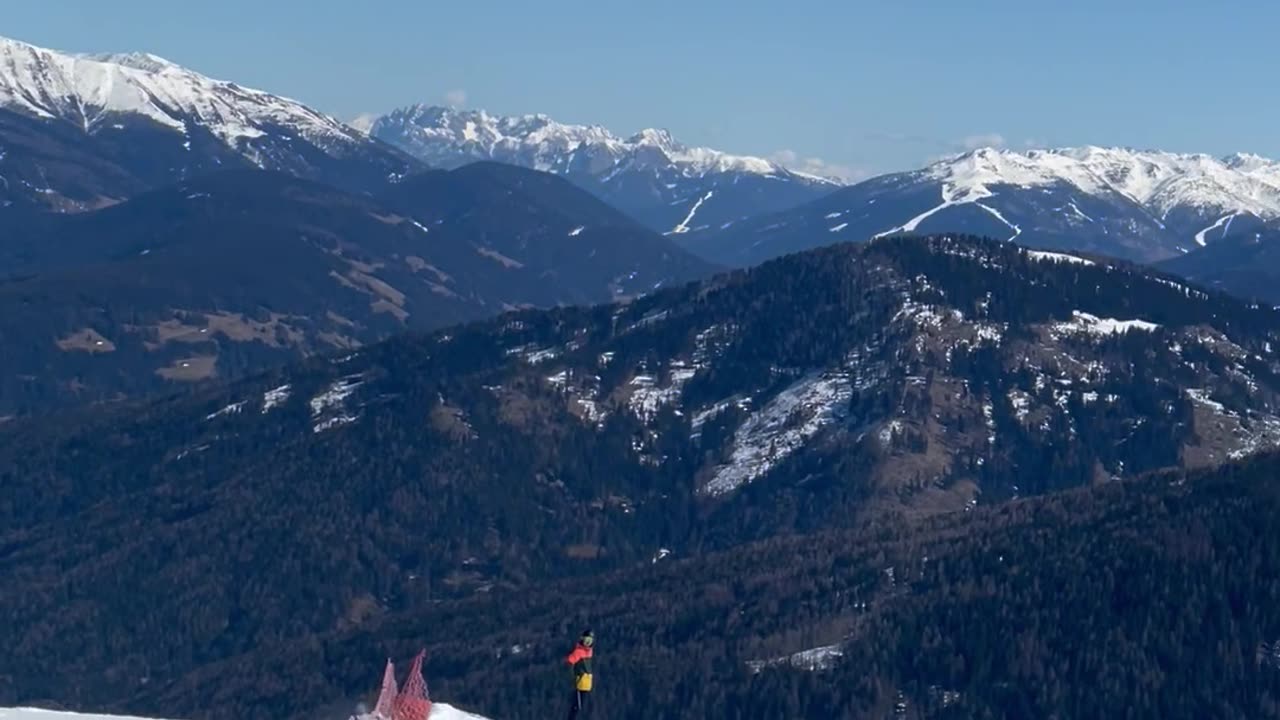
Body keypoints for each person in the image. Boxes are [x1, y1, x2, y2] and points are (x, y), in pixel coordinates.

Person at [565, 629, 594, 720]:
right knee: (577, 706)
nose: (588, 643)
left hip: (587, 683)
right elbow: (569, 662)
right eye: (586, 640)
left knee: (585, 706)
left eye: (590, 641)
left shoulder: (589, 651)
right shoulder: (579, 652)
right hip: (580, 683)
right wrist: (573, 677)